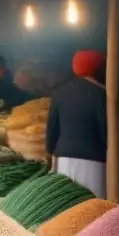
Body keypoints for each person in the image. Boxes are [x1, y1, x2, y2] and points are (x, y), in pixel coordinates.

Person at [45, 50, 112, 198]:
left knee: (65, 206)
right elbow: (106, 132)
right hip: (93, 161)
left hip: (63, 159)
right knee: (92, 209)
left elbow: (52, 129)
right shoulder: (102, 94)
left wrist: (50, 150)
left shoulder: (59, 93)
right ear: (98, 69)